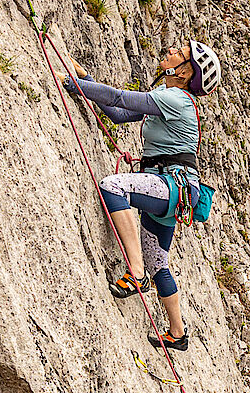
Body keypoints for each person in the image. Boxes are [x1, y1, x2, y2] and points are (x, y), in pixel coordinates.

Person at [63, 40, 222, 351]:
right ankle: (177, 332)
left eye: (181, 52)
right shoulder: (166, 97)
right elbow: (119, 113)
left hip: (169, 185)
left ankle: (135, 273)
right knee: (158, 262)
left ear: (187, 71)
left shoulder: (177, 99)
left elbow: (120, 97)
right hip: (168, 190)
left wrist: (73, 84)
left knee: (113, 187)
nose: (172, 50)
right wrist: (86, 83)